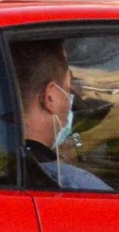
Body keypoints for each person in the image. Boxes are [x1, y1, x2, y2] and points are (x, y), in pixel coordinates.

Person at [12, 40, 113, 190]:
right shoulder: (74, 185)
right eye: (68, 86)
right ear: (50, 97)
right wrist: (105, 130)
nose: (70, 95)